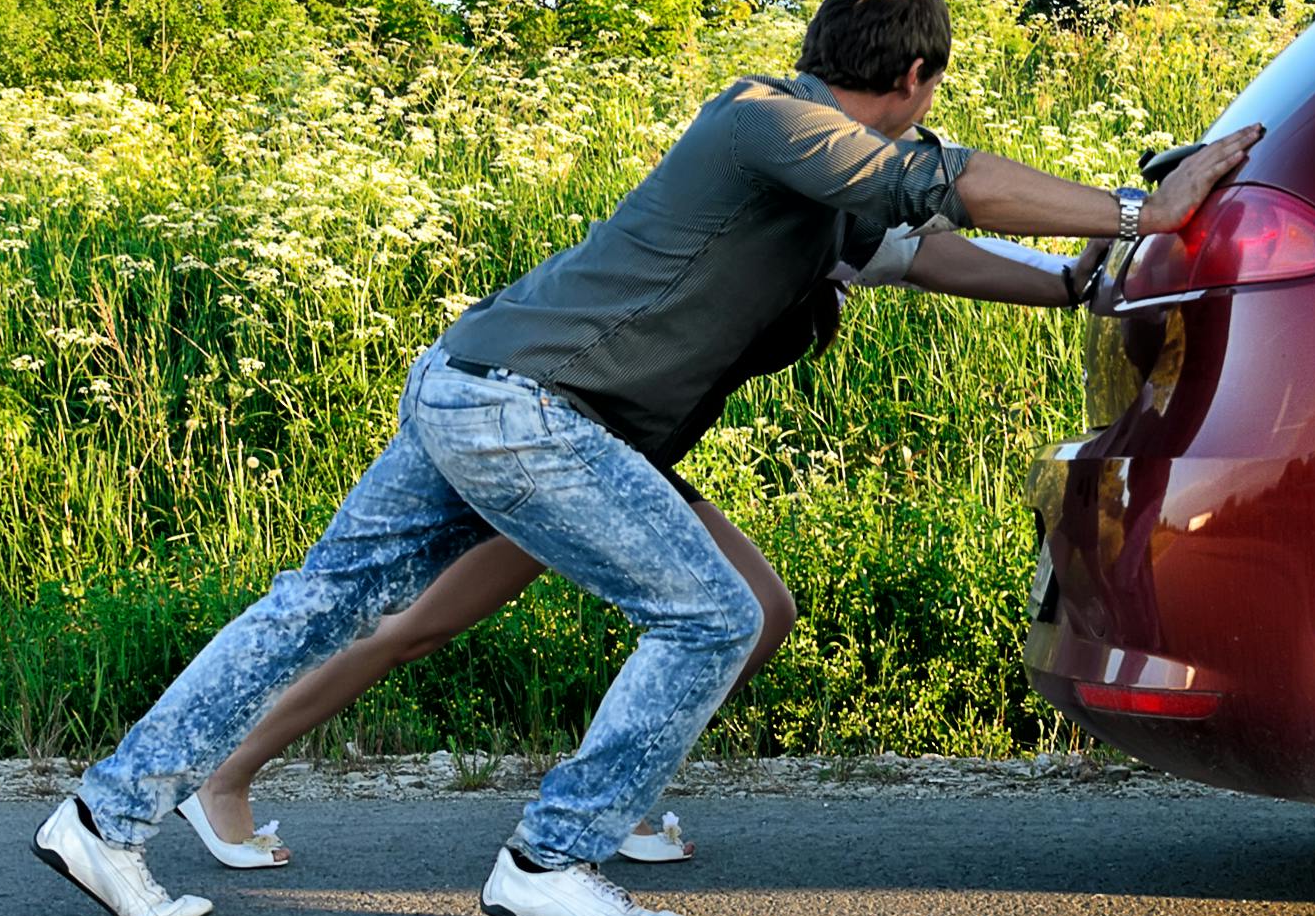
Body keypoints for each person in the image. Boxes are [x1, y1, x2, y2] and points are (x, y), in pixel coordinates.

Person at [30, 0, 1258, 916]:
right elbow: (949, 189)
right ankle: (552, 858)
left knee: (321, 603)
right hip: (528, 408)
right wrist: (1156, 205)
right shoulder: (768, 117)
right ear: (921, 76)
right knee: (712, 613)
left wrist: (1071, 284)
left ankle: (104, 815)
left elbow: (921, 250)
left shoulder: (812, 176)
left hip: (485, 389)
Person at [182, 219, 1059, 872]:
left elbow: (936, 248)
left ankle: (607, 798)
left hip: (625, 456)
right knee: (418, 624)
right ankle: (223, 778)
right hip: (559, 443)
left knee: (758, 613)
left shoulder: (837, 222)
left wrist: (1087, 264)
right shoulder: (759, 224)